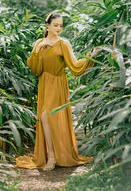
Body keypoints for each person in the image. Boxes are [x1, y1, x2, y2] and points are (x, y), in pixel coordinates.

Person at [16, 12, 97, 171]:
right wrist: (38, 49)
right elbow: (35, 69)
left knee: (48, 117)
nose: (59, 28)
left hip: (58, 83)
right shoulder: (39, 43)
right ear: (47, 25)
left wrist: (91, 57)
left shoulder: (63, 44)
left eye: (61, 25)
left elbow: (75, 66)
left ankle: (53, 156)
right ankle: (51, 155)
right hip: (44, 83)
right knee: (45, 117)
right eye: (55, 25)